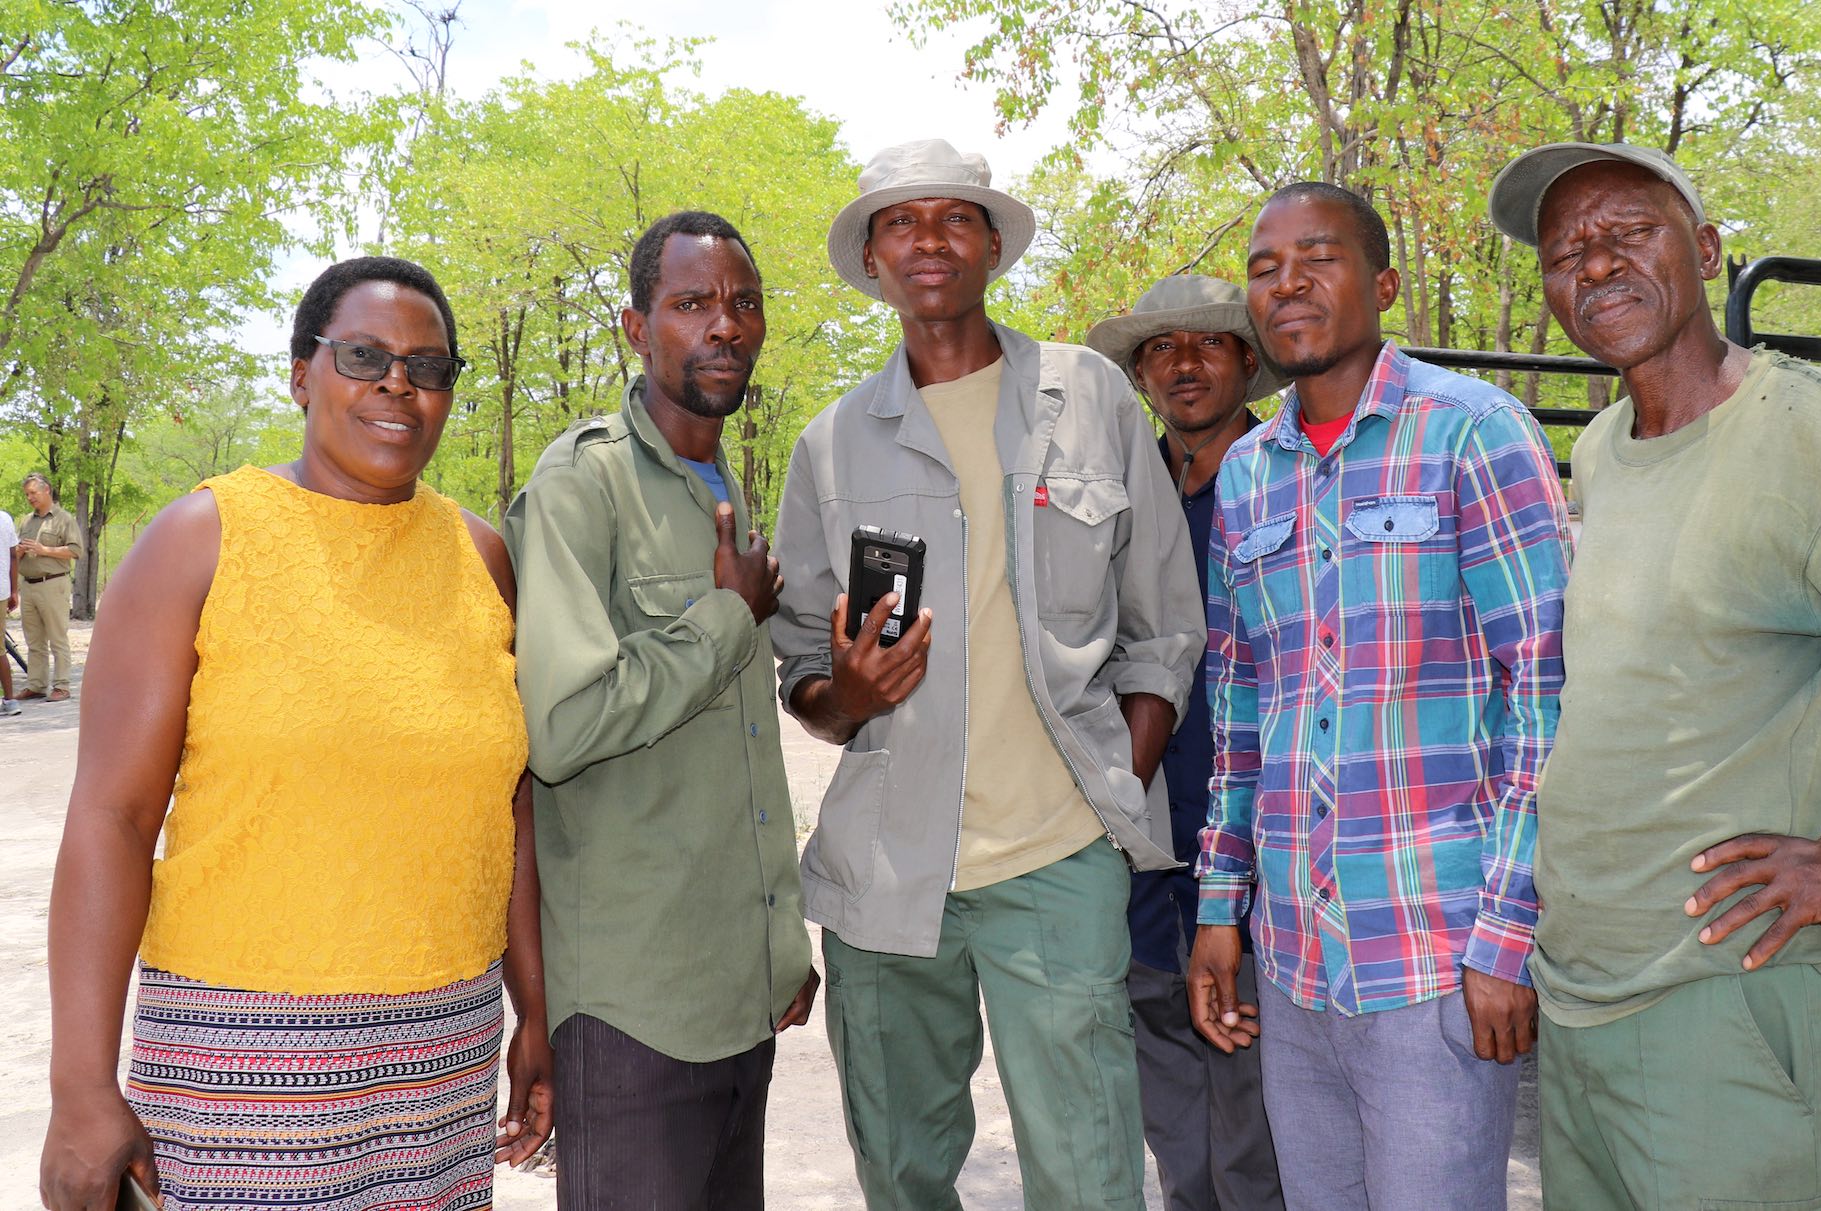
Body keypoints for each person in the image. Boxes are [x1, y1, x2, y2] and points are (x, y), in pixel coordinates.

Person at [1488, 142, 1821, 1210]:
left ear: (1707, 249)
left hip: (1719, 1008)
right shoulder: (1603, 446)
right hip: (1582, 1005)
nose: (1592, 263)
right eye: (1563, 250)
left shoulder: (1809, 435)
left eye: (1627, 229)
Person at [39, 256, 553, 1210]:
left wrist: (536, 1011)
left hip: (443, 1053)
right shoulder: (200, 540)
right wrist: (79, 1090)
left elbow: (511, 812)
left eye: (429, 367)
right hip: (241, 1059)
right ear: (299, 373)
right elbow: (111, 816)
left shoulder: (485, 559)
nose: (399, 383)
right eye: (364, 355)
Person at [771, 138, 1206, 1211]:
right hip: (886, 876)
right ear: (871, 259)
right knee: (904, 1173)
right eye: (899, 223)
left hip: (1056, 861)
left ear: (993, 244)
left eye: (953, 217)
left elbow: (1163, 624)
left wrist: (1111, 780)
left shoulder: (1088, 395)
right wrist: (848, 696)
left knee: (1088, 1172)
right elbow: (801, 674)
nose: (928, 240)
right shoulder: (830, 446)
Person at [1190, 182, 1570, 1211]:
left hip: (1432, 955)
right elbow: (1237, 710)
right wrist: (1220, 909)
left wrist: (1504, 937)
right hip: (1294, 958)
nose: (1287, 283)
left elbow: (1542, 688)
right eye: (1264, 268)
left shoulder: (1473, 434)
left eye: (1317, 257)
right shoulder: (1246, 477)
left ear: (1383, 283)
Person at [503, 210, 816, 1210]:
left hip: (736, 992)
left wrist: (777, 944)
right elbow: (562, 724)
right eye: (690, 304)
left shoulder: (724, 483)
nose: (723, 325)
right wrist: (728, 615)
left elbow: (731, 753)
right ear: (637, 331)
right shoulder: (578, 485)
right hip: (634, 1012)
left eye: (742, 303)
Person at [1084, 274, 1288, 1211]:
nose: (1185, 364)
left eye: (1209, 344)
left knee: (1258, 1131)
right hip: (1140, 854)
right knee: (1174, 1131)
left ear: (1251, 362)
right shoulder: (1114, 508)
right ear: (1139, 375)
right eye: (1161, 349)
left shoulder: (1294, 484)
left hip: (1261, 866)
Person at [16, 472, 81, 703]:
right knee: (33, 640)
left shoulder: (64, 519)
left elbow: (75, 550)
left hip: (53, 584)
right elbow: (14, 554)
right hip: (29, 586)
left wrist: (45, 550)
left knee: (57, 637)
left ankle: (62, 685)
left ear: (46, 491)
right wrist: (20, 552)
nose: (30, 498)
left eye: (33, 493)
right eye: (27, 494)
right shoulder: (25, 521)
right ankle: (36, 685)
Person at [0, 504, 20, 715]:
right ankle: (10, 699)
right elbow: (14, 556)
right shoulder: (5, 518)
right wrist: (14, 590)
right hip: (2, 591)